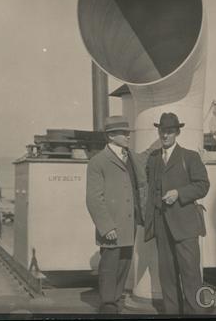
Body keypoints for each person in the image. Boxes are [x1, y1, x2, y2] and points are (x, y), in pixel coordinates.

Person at [143, 112, 211, 314]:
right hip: (162, 226)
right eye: (162, 131)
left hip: (185, 227)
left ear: (177, 132)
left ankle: (196, 312)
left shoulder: (190, 157)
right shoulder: (153, 159)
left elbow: (203, 186)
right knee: (167, 275)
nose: (165, 135)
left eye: (170, 131)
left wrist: (179, 193)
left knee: (190, 274)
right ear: (159, 131)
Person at [86, 115, 148, 314]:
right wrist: (106, 226)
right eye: (124, 133)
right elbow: (94, 198)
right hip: (112, 226)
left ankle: (115, 299)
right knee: (109, 266)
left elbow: (147, 156)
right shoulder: (98, 162)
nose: (128, 136)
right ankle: (107, 304)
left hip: (129, 224)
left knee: (124, 263)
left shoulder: (131, 155)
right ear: (112, 136)